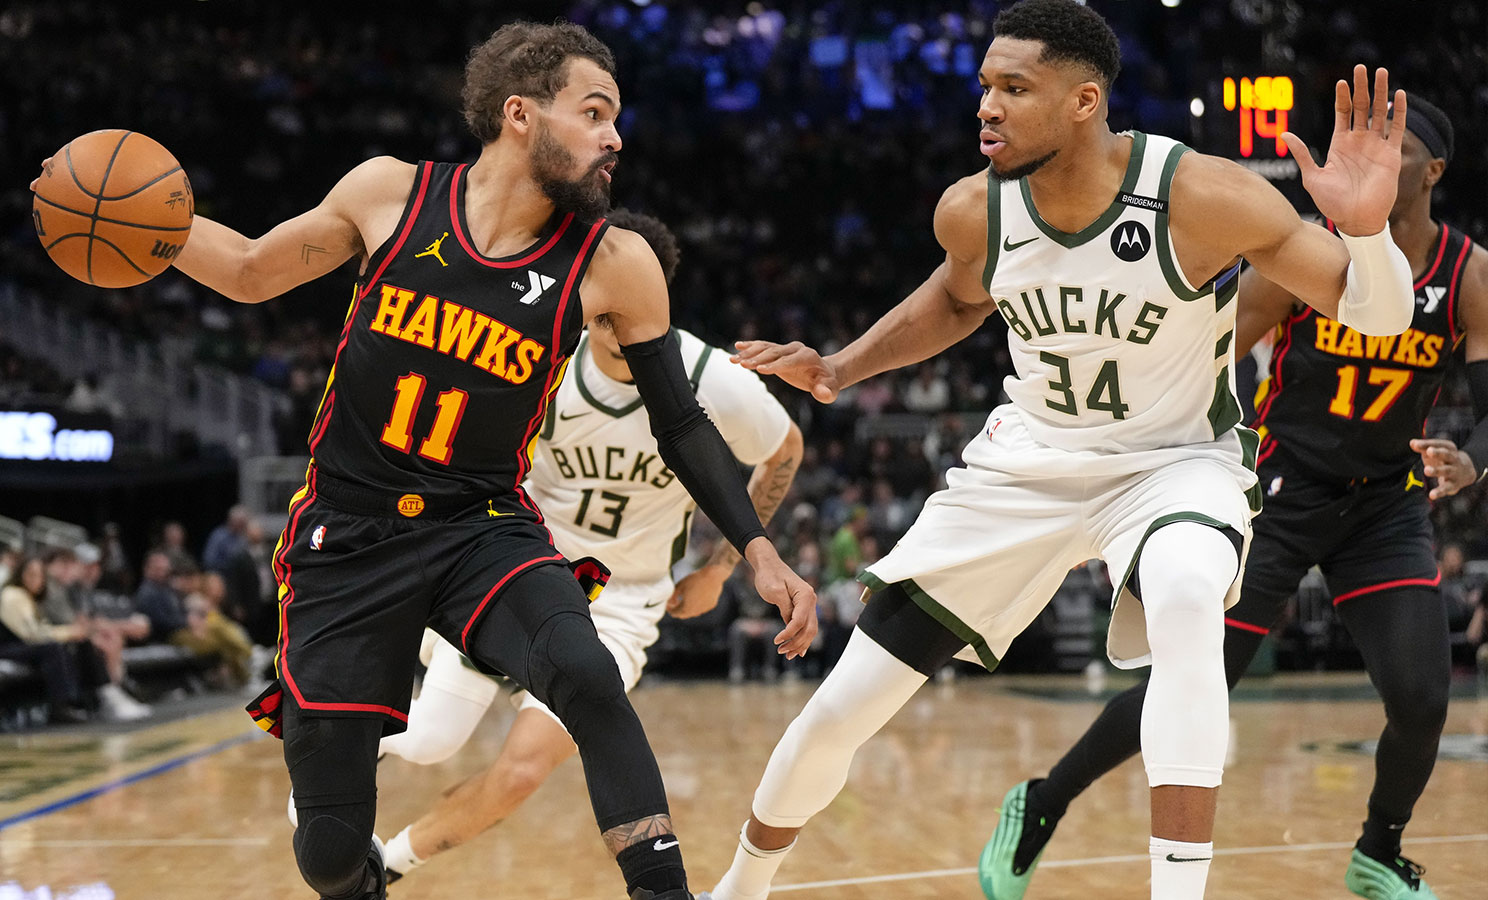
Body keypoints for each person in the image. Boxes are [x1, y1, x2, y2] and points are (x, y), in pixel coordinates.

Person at [35, 21, 817, 900]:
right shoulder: (390, 195)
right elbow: (254, 271)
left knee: (588, 675)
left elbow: (681, 424)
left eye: (616, 119)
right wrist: (137, 222)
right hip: (348, 530)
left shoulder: (615, 262)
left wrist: (756, 550)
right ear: (520, 114)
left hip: (481, 524)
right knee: (329, 852)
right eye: (595, 113)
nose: (614, 138)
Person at [703, 2, 1415, 898]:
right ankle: (740, 885)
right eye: (984, 88)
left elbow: (1377, 313)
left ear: (1084, 101)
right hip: (1026, 466)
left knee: (1192, 595)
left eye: (1012, 88)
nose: (986, 108)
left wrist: (1368, 231)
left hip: (1172, 464)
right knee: (844, 705)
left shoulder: (1200, 193)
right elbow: (958, 301)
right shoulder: (974, 210)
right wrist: (840, 368)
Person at [983, 93, 1484, 900]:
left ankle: (1378, 853)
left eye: (1394, 149)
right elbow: (1217, 356)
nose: (1374, 158)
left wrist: (1473, 459)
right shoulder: (1306, 256)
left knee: (1425, 697)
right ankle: (1042, 802)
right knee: (1188, 681)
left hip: (1383, 503)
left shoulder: (1468, 273)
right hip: (1281, 490)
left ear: (1431, 170)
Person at [376, 209, 804, 884]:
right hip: (518, 571)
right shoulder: (546, 358)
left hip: (620, 600)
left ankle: (385, 863)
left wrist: (721, 567)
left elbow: (784, 450)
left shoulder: (711, 378)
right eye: (597, 306)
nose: (609, 322)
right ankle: (342, 742)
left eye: (625, 302)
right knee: (430, 742)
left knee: (520, 772)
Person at [0, 556, 149, 723]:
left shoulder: (30, 597)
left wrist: (73, 634)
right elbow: (32, 634)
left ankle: (102, 695)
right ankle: (61, 707)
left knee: (80, 643)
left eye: (40, 576)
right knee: (54, 648)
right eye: (31, 574)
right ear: (19, 575)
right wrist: (70, 632)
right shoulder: (13, 595)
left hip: (20, 645)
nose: (36, 580)